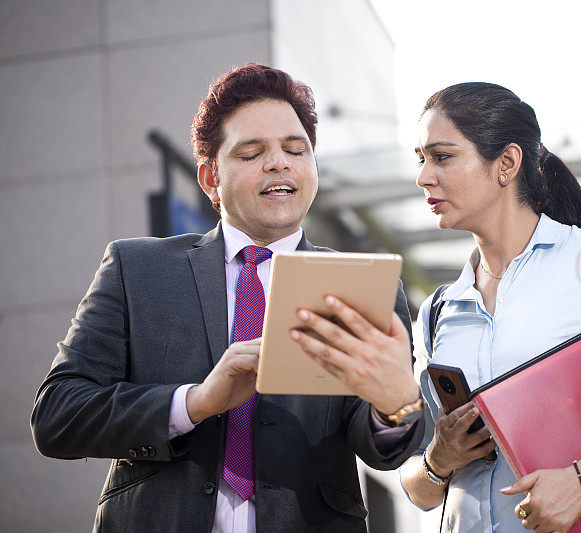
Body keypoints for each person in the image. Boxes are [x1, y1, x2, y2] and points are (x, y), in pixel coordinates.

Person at [300, 82, 581, 533]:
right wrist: (440, 459)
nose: (423, 177)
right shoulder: (440, 310)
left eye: (441, 157)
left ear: (506, 163)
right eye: (420, 159)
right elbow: (417, 490)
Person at [30, 63, 424, 533]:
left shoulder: (365, 285)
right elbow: (58, 415)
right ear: (209, 178)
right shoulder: (136, 270)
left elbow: (385, 446)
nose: (279, 162)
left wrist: (395, 406)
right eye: (252, 152)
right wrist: (194, 402)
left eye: (296, 149)